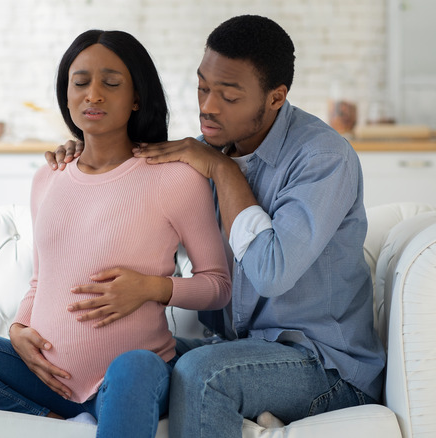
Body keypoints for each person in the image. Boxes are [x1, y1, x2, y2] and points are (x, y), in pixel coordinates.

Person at [46, 15, 386, 437]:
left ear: (276, 97)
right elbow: (146, 226)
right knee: (134, 362)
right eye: (203, 87)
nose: (208, 106)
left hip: (324, 367)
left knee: (203, 373)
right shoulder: (206, 149)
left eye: (228, 95)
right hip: (234, 349)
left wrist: (224, 171)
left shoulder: (322, 159)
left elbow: (271, 271)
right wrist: (89, 153)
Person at [0, 29, 231, 438]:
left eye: (112, 83)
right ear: (66, 95)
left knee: (135, 366)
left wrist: (151, 287)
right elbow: (42, 280)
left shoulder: (175, 179)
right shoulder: (48, 177)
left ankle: (93, 410)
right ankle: (45, 416)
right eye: (80, 83)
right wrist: (19, 330)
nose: (94, 95)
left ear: (136, 97)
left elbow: (218, 285)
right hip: (45, 378)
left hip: (126, 377)